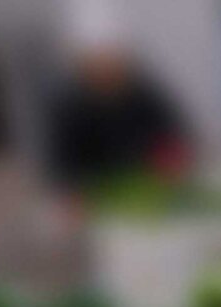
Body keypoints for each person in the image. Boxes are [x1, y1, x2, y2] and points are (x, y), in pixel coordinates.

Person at [44, 10, 192, 192]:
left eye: (112, 59)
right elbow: (62, 167)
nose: (106, 69)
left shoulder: (145, 96)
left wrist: (171, 165)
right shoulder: (70, 110)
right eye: (97, 62)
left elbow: (174, 138)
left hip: (153, 190)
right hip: (96, 195)